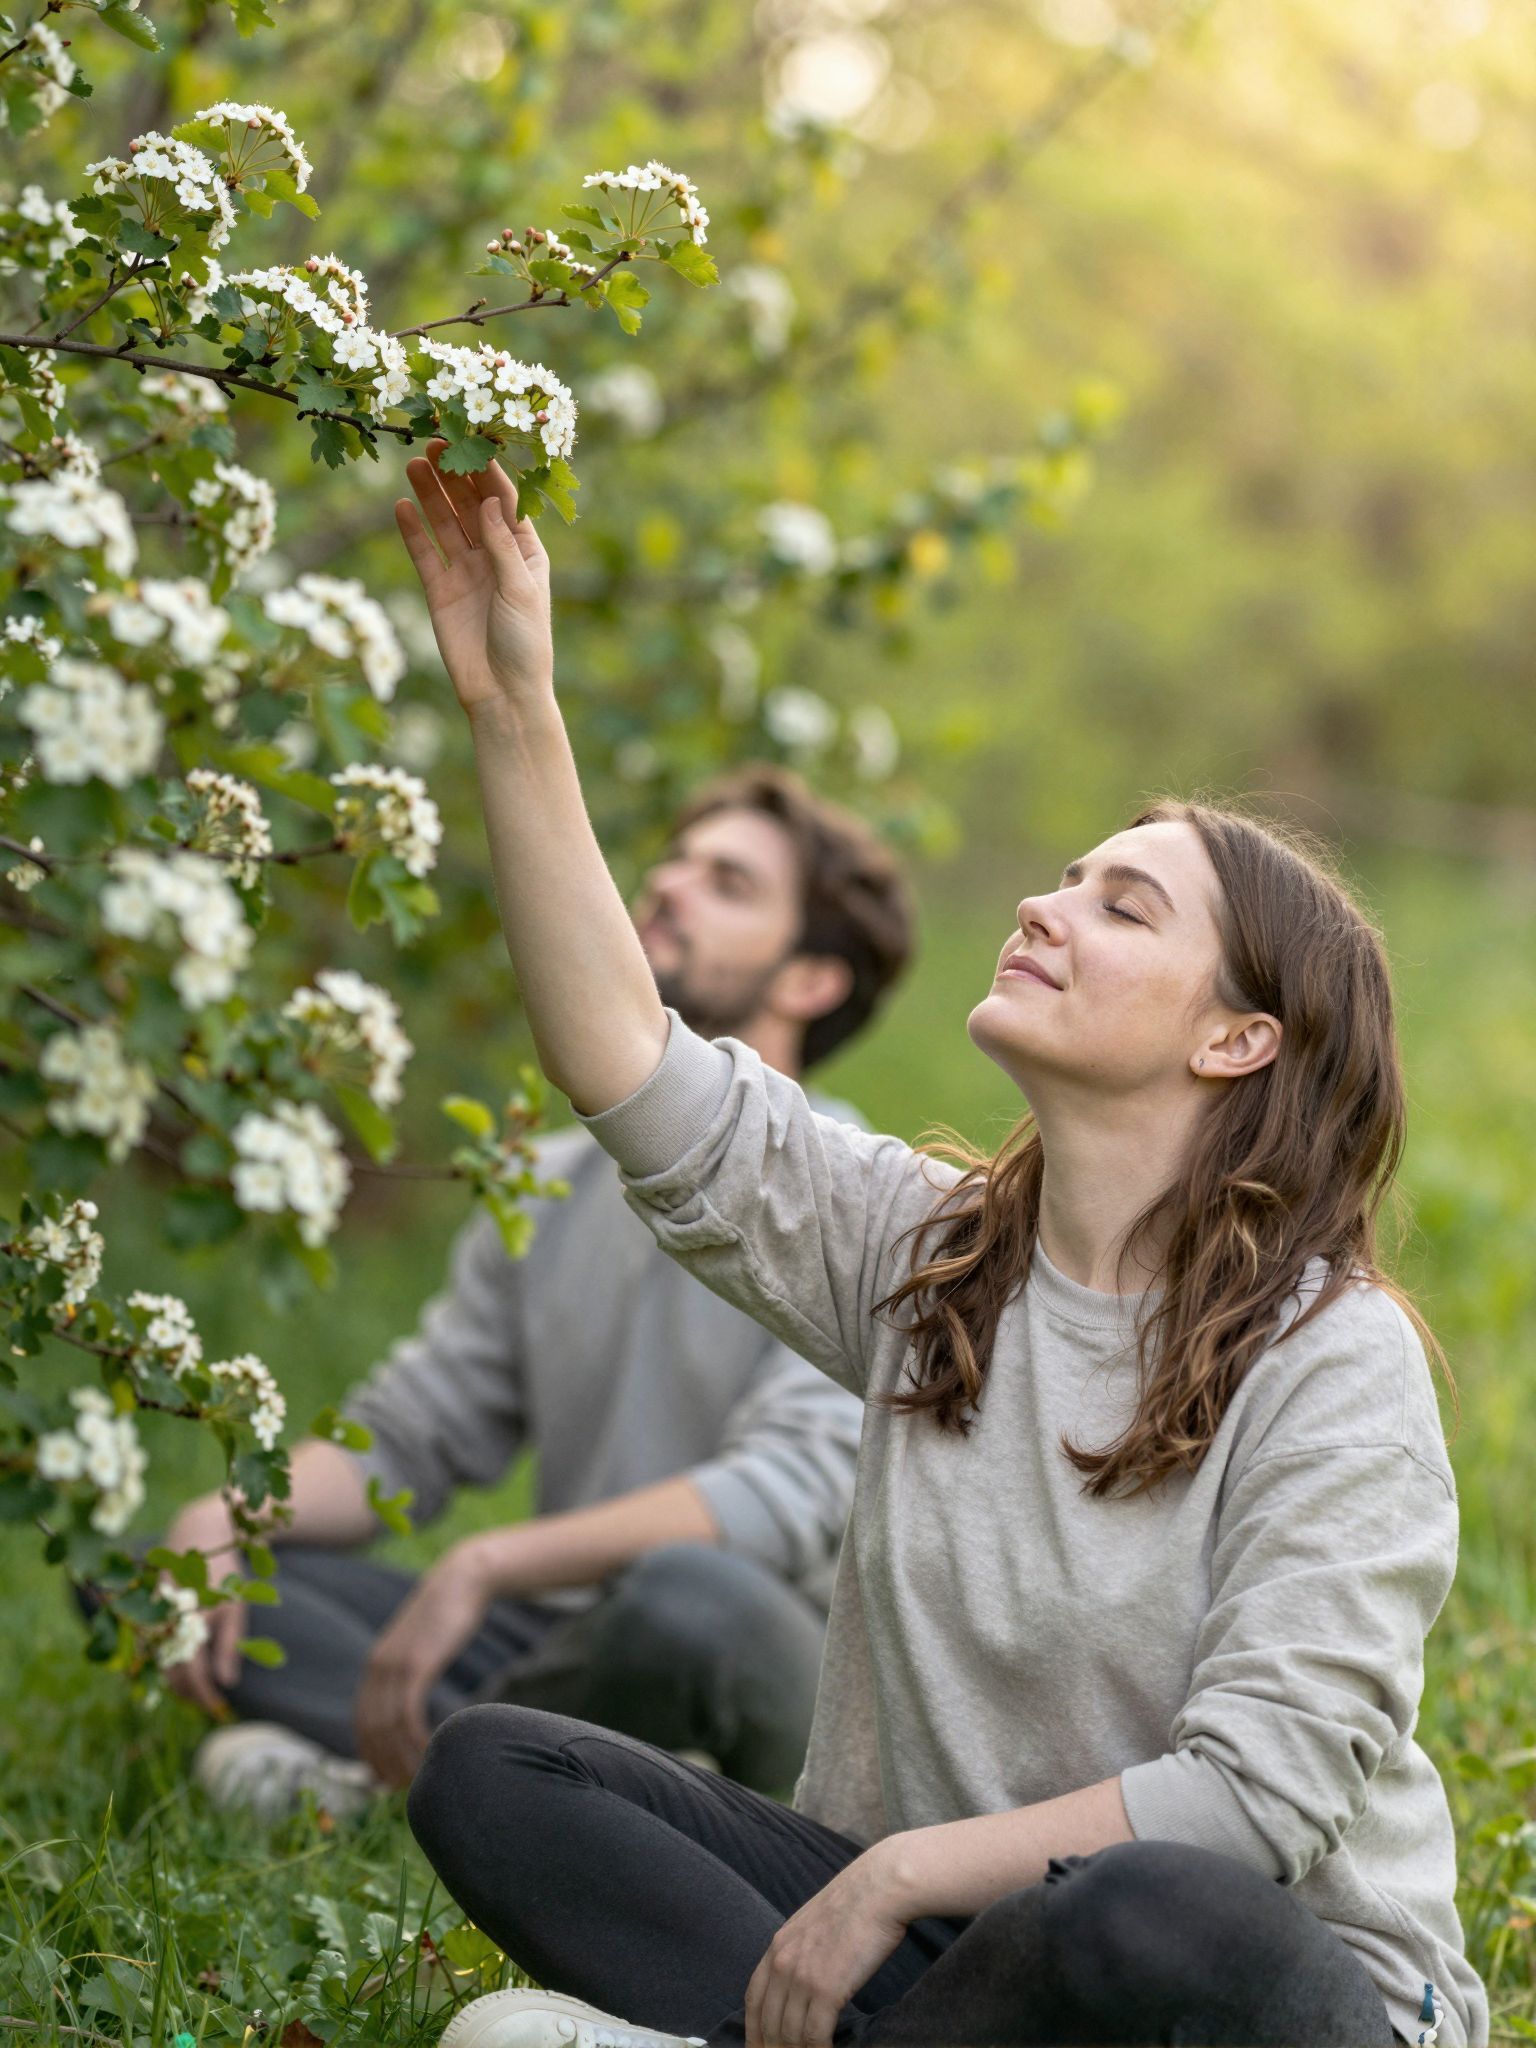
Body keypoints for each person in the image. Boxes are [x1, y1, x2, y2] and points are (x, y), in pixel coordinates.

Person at [390, 439, 1490, 2048]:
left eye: (1122, 907)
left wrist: (899, 1871)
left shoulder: (1333, 1358)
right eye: (1066, 879)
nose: (1046, 906)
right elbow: (630, 1066)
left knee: (1144, 1907)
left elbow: (1256, 1804)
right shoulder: (930, 1254)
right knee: (500, 1768)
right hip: (946, 1975)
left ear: (1237, 1040)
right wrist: (513, 710)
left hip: (1246, 1992)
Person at [162, 757, 913, 1819]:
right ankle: (556, 1774)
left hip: (755, 1654)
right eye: (677, 861)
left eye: (729, 883)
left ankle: (419, 1774)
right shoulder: (546, 1185)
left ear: (810, 981)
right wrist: (229, 1515)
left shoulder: (855, 1194)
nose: (669, 884)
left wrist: (487, 1559)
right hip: (549, 1635)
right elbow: (413, 1433)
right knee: (172, 1575)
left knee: (687, 1606)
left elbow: (781, 1498)